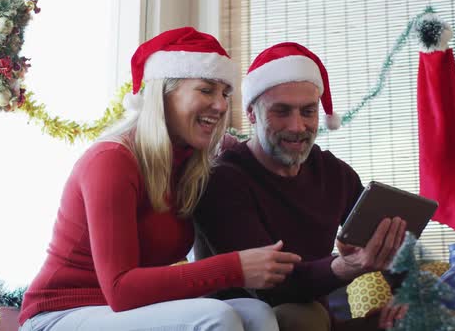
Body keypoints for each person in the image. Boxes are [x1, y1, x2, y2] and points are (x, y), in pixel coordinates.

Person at [18, 28, 302, 331]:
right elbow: (120, 289)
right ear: (163, 94)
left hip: (122, 312)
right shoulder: (112, 160)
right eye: (206, 90)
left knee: (256, 312)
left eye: (224, 93)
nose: (221, 106)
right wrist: (234, 269)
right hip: (60, 314)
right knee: (216, 317)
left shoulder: (189, 163)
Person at [193, 42, 408, 331]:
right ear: (252, 114)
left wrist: (405, 298)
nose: (297, 126)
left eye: (307, 112)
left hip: (314, 314)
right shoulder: (223, 180)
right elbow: (272, 289)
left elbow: (398, 244)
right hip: (243, 317)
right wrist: (344, 266)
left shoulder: (334, 174)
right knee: (300, 316)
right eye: (281, 112)